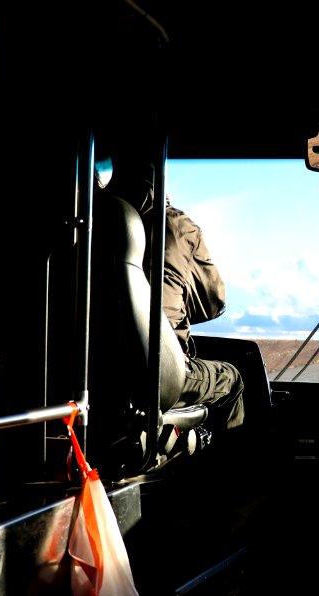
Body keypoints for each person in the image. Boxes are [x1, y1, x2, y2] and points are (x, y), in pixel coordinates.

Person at [99, 149, 246, 440]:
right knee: (233, 379)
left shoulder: (91, 222)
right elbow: (212, 304)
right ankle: (237, 478)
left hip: (97, 369)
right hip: (153, 373)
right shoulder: (177, 226)